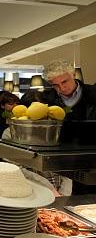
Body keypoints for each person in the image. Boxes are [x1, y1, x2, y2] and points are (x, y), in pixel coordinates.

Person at [43, 59, 96, 194]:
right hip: (64, 163)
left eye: (64, 81)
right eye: (55, 85)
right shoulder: (46, 101)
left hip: (92, 158)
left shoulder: (93, 94)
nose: (61, 88)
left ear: (73, 75)